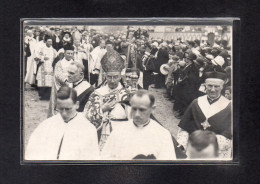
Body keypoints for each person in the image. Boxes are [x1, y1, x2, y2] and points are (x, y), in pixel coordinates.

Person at [25, 86, 99, 160]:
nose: (64, 113)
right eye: (60, 109)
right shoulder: (47, 125)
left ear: (77, 104)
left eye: (68, 109)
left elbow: (91, 158)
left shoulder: (88, 129)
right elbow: (32, 152)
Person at [101, 89, 176, 160]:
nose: (137, 114)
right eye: (134, 109)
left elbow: (167, 166)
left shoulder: (162, 134)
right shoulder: (118, 131)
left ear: (152, 108)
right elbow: (105, 159)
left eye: (142, 110)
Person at [177, 71, 232, 159]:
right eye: (210, 85)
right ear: (205, 86)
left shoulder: (229, 107)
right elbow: (185, 126)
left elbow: (229, 134)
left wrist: (208, 145)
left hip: (215, 153)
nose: (212, 89)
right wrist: (183, 143)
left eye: (216, 86)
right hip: (194, 150)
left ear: (222, 87)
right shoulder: (196, 102)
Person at [84, 49, 130, 151]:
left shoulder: (126, 95)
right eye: (109, 77)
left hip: (120, 134)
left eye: (115, 77)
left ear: (120, 76)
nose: (112, 80)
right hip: (100, 134)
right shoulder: (97, 93)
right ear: (105, 76)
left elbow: (133, 119)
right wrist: (102, 109)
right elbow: (87, 116)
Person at [47, 44, 74, 117]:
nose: (70, 55)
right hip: (61, 86)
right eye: (68, 53)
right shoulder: (59, 63)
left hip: (72, 85)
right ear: (64, 53)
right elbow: (58, 75)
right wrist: (66, 80)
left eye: (71, 53)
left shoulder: (75, 63)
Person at [35, 36, 57, 100]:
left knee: (49, 82)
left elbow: (56, 57)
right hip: (43, 67)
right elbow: (36, 57)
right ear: (45, 42)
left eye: (51, 42)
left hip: (50, 68)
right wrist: (42, 58)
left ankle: (48, 96)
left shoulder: (53, 50)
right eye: (49, 41)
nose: (50, 43)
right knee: (42, 81)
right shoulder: (41, 49)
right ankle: (42, 96)